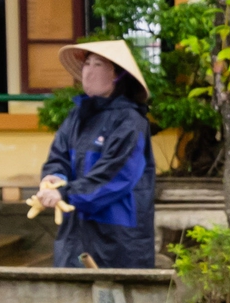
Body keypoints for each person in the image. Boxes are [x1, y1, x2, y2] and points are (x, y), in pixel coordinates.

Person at [33, 39, 156, 267]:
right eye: (86, 64)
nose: (88, 72)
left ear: (117, 76)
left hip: (117, 237)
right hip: (75, 232)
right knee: (71, 299)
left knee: (115, 300)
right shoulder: (76, 117)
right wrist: (54, 179)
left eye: (98, 65)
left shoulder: (130, 122)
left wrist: (67, 194)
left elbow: (114, 176)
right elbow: (58, 158)